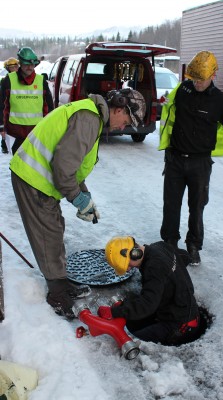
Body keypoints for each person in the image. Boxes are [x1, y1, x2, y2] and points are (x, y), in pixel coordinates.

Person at [9, 88, 146, 319]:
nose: (124, 127)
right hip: (32, 178)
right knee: (48, 231)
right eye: (126, 121)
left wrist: (85, 196)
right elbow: (63, 167)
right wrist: (77, 198)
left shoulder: (92, 117)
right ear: (119, 108)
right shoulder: (88, 119)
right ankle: (57, 294)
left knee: (55, 227)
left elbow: (74, 168)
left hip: (39, 179)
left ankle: (60, 283)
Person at [159, 51, 223, 265]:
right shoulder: (182, 91)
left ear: (213, 75)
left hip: (200, 163)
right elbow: (167, 109)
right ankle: (169, 244)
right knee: (171, 204)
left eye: (201, 79)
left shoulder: (220, 100)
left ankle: (193, 245)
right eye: (194, 79)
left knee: (197, 206)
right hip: (174, 159)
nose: (197, 83)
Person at [98, 236, 205, 346]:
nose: (128, 269)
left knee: (134, 341)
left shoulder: (154, 267)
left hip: (180, 325)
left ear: (135, 253)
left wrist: (114, 312)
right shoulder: (159, 246)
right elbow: (185, 256)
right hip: (182, 312)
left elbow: (147, 305)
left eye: (127, 265)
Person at [0, 47, 54, 155]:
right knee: (18, 166)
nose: (30, 67)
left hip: (36, 132)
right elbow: (2, 105)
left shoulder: (41, 81)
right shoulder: (9, 80)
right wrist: (2, 126)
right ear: (20, 63)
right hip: (15, 132)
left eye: (32, 64)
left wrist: (49, 127)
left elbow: (48, 107)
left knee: (34, 166)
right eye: (26, 64)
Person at [0, 58, 20, 154]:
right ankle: (4, 144)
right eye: (11, 67)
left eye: (15, 67)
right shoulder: (5, 82)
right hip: (10, 115)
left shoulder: (23, 80)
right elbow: (2, 104)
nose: (14, 69)